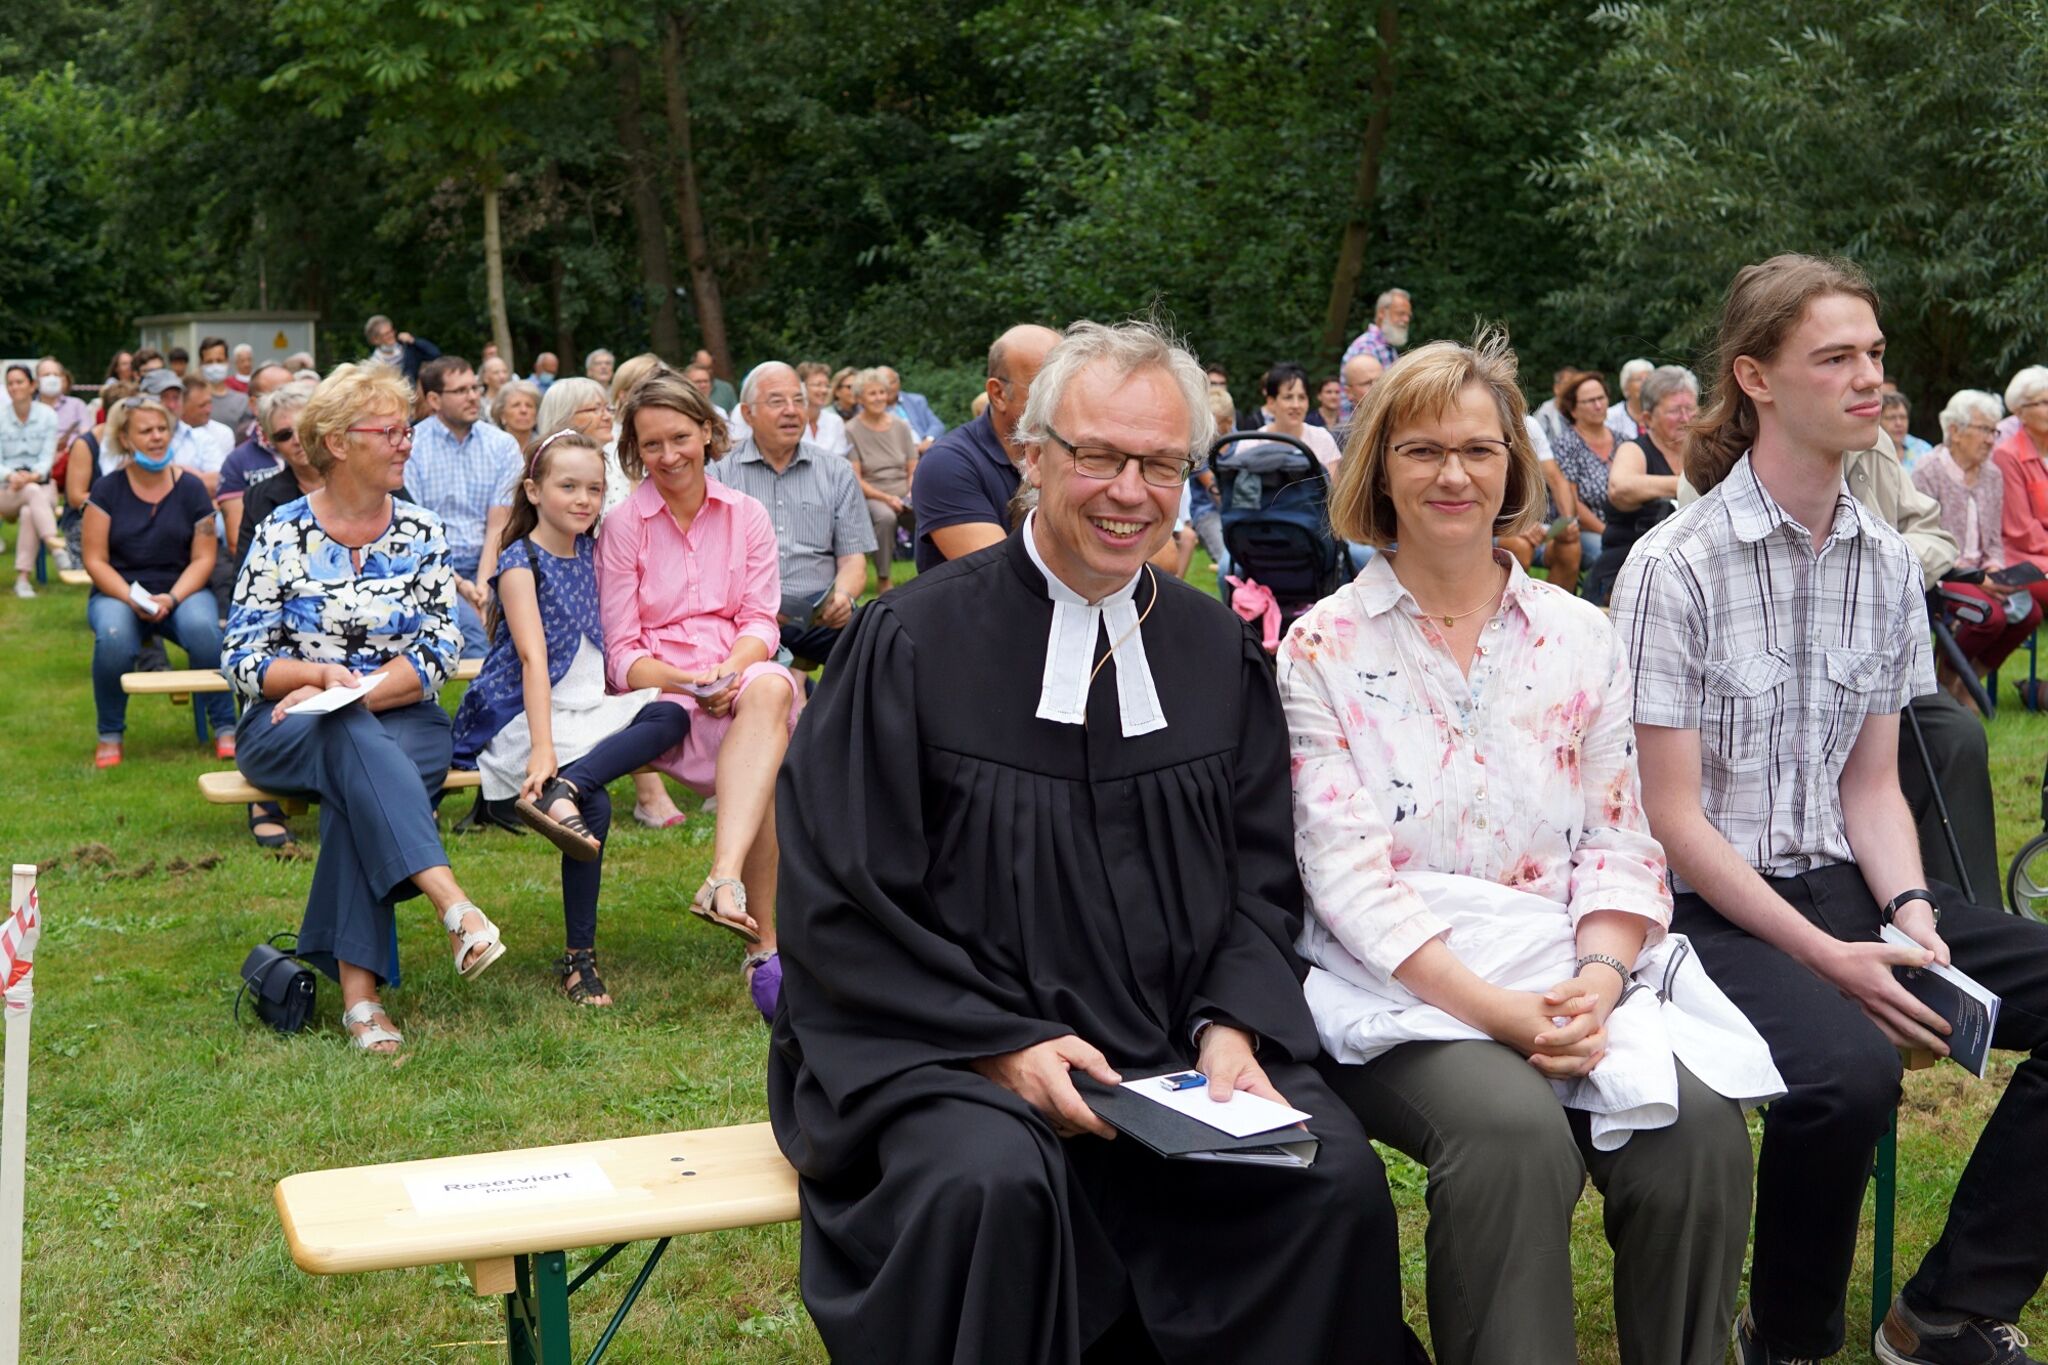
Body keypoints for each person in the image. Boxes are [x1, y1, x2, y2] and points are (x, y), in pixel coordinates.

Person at [768, 317, 1418, 1365]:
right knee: (991, 1186)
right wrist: (1002, 1045)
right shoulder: (909, 643)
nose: (1129, 491)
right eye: (1100, 456)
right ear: (1031, 456)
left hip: (1171, 1044)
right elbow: (843, 895)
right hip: (940, 1049)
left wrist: (1228, 1025)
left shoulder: (1214, 651)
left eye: (1159, 464)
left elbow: (1260, 882)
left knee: (1325, 1179)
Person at [1283, 333, 1763, 1365]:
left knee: (1696, 1135)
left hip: (1568, 965)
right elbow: (1343, 875)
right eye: (1419, 451)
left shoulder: (1578, 634)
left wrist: (1597, 975)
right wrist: (1495, 1011)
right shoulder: (1320, 645)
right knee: (1508, 1138)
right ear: (1377, 470)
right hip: (1403, 986)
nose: (1451, 473)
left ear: (1512, 465)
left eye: (1476, 448)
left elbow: (1620, 833)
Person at [1614, 253, 2048, 1365]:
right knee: (1844, 1077)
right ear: (1754, 378)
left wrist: (1907, 910)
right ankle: (1788, 1339)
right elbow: (1669, 822)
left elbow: (1868, 784)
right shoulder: (1675, 567)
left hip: (1847, 881)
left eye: (1872, 355)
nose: (1868, 379)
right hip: (1702, 904)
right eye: (1835, 358)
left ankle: (1940, 1310)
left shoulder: (1880, 564)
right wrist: (1827, 955)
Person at [226, 363, 502, 1054]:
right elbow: (240, 654)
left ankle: (362, 999)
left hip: (403, 716)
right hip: (288, 724)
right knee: (350, 737)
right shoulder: (281, 530)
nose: (407, 441)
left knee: (358, 763)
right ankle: (453, 905)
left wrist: (354, 689)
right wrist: (317, 675)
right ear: (340, 443)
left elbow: (442, 643)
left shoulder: (422, 530)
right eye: (392, 430)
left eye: (408, 428)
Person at [451, 430, 689, 1006]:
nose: (583, 499)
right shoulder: (519, 561)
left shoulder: (594, 547)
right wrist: (540, 750)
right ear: (533, 490)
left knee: (672, 715)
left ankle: (566, 787)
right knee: (599, 808)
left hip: (589, 703)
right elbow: (533, 660)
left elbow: (643, 507)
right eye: (567, 486)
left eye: (594, 488)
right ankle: (580, 962)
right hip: (525, 712)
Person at [599, 369, 803, 1019]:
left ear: (709, 434)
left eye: (680, 437)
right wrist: (688, 679)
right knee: (767, 754)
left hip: (739, 676)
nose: (668, 456)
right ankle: (762, 939)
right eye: (651, 444)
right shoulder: (626, 524)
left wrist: (730, 669)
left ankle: (723, 877)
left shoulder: (746, 514)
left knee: (773, 686)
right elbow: (622, 653)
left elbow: (760, 622)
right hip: (666, 695)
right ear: (634, 450)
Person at [79, 396, 234, 763]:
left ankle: (226, 726)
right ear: (126, 439)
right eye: (145, 431)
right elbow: (95, 560)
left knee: (206, 630)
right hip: (118, 590)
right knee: (113, 639)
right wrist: (132, 598)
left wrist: (173, 598)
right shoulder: (107, 490)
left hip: (182, 587)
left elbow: (204, 557)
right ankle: (110, 733)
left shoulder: (193, 489)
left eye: (162, 428)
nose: (156, 437)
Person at [709, 363, 874, 664]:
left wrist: (844, 598)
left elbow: (853, 559)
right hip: (744, 617)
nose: (791, 410)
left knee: (883, 639)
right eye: (776, 402)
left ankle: (841, 709)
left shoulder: (836, 471)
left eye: (799, 401)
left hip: (818, 615)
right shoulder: (718, 476)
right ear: (748, 414)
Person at [1912, 389, 2044, 699]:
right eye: (1984, 429)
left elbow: (1995, 541)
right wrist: (1975, 577)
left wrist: (1996, 568)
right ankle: (1946, 682)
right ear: (1955, 431)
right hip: (1944, 572)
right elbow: (1924, 539)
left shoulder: (1992, 475)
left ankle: (1964, 683)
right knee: (1989, 615)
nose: (1991, 439)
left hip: (1983, 571)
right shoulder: (1928, 471)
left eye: (1994, 430)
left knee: (2031, 613)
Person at [912, 324, 1062, 570]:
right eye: (1045, 388)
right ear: (998, 393)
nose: (1062, 399)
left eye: (1067, 386)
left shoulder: (1074, 453)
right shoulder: (946, 465)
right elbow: (999, 575)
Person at [411, 356, 524, 659]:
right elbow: (418, 532)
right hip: (431, 566)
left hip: (493, 563)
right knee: (474, 632)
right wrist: (461, 586)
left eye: (475, 387)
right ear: (434, 399)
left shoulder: (502, 445)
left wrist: (483, 587)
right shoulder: (412, 446)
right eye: (461, 390)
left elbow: (499, 524)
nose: (474, 396)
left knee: (519, 617)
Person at [1589, 364, 1693, 603]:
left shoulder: (1703, 453)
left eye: (1690, 409)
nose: (1685, 418)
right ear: (1647, 418)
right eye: (1675, 411)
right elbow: (1620, 488)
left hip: (1684, 575)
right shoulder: (1633, 450)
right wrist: (1686, 485)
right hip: (1625, 575)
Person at [845, 367, 918, 592]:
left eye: (881, 392)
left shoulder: (901, 426)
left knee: (930, 511)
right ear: (859, 398)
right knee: (885, 518)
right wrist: (887, 498)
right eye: (872, 393)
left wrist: (911, 492)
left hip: (904, 489)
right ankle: (884, 578)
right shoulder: (851, 430)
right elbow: (856, 478)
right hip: (873, 493)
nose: (879, 398)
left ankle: (933, 573)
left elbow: (913, 466)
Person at [216, 365, 301, 549]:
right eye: (277, 395)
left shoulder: (323, 451)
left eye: (294, 394)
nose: (287, 402)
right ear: (254, 406)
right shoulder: (237, 462)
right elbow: (237, 541)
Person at [1549, 367, 1619, 585]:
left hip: (1625, 527)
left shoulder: (1624, 442)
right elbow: (1573, 503)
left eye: (1601, 398)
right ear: (1573, 409)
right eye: (1590, 401)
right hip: (1587, 529)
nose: (1598, 405)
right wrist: (1607, 532)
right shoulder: (1566, 446)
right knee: (1610, 558)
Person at [1254, 362, 1343, 472]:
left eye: (1302, 397)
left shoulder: (1322, 439)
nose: (1296, 405)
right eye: (1288, 397)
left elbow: (1333, 487)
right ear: (1271, 402)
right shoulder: (1254, 443)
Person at [1340, 286, 1410, 419]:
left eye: (1408, 315)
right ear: (1382, 313)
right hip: (1360, 432)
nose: (1406, 319)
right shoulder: (1366, 347)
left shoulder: (1387, 348)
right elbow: (1370, 401)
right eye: (1401, 313)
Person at [880, 365, 946, 451]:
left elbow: (937, 425)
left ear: (899, 382)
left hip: (925, 451)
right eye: (883, 384)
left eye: (892, 382)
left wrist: (928, 440)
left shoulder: (916, 400)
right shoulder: (873, 409)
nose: (889, 388)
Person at [195, 337, 251, 435]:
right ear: (201, 364)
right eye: (209, 362)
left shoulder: (242, 401)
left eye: (219, 361)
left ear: (227, 362)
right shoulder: (193, 401)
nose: (215, 366)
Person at [362, 314, 439, 385]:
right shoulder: (375, 363)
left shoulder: (407, 347)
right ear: (375, 340)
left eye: (391, 331)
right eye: (386, 334)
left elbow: (435, 354)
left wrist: (414, 341)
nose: (392, 335)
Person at [34, 358, 90, 454]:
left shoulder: (77, 405)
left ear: (62, 379)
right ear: (36, 381)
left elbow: (87, 436)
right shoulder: (29, 409)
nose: (51, 378)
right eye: (46, 375)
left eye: (56, 375)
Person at [795, 361, 849, 458]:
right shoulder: (792, 421)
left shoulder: (835, 421)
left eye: (827, 386)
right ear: (801, 386)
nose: (824, 390)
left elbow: (840, 459)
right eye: (818, 385)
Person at [1883, 391, 1935, 471]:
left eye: (1903, 417)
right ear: (1878, 421)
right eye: (1891, 417)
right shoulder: (1868, 453)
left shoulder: (1924, 451)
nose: (1899, 423)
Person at [491, 378, 541, 458]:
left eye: (529, 405)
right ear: (502, 414)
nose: (523, 410)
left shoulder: (544, 448)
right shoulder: (491, 446)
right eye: (516, 405)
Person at [1610, 357, 1653, 440]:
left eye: (1648, 379)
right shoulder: (1611, 417)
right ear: (1626, 385)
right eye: (1638, 379)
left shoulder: (1662, 413)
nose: (1644, 383)